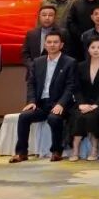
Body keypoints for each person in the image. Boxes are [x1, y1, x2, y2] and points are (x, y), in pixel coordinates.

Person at [9, 30, 75, 163]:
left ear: (61, 45)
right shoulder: (38, 62)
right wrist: (32, 101)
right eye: (49, 42)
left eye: (55, 42)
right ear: (45, 45)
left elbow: (71, 86)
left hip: (59, 104)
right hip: (41, 104)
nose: (52, 45)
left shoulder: (69, 62)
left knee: (54, 118)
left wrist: (61, 103)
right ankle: (21, 153)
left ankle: (56, 151)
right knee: (24, 116)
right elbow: (31, 83)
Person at [69, 37, 99, 162]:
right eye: (93, 47)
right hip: (83, 102)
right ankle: (75, 148)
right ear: (88, 49)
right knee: (78, 115)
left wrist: (97, 104)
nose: (96, 50)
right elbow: (76, 88)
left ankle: (95, 148)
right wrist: (81, 103)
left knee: (92, 116)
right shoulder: (80, 66)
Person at [22, 6, 59, 75]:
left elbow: (67, 54)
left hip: (56, 73)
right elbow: (25, 54)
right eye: (44, 15)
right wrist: (33, 66)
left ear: (55, 18)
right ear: (39, 17)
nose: (47, 18)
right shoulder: (31, 34)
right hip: (34, 73)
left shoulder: (62, 33)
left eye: (50, 15)